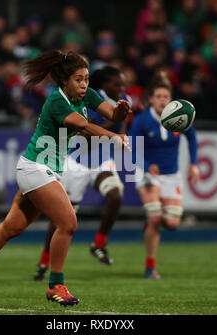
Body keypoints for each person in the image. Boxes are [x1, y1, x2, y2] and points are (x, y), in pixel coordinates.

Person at [0, 50, 131, 306]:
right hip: (35, 168)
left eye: (86, 79)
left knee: (11, 227)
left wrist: (121, 112)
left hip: (42, 169)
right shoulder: (56, 102)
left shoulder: (87, 95)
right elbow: (83, 127)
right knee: (68, 223)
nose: (84, 85)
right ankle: (55, 285)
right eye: (78, 79)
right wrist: (114, 137)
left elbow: (112, 115)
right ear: (64, 81)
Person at [34, 66, 131, 280]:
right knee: (63, 220)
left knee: (115, 195)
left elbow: (121, 126)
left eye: (123, 84)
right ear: (105, 86)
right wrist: (113, 126)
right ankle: (44, 262)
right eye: (117, 84)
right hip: (76, 163)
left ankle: (98, 244)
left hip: (102, 163)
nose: (122, 88)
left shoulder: (124, 99)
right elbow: (87, 134)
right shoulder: (90, 99)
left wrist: (120, 132)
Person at [130, 71, 200, 279]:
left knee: (172, 223)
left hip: (171, 175)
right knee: (154, 216)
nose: (162, 100)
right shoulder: (142, 121)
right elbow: (132, 150)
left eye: (166, 97)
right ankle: (150, 266)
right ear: (151, 99)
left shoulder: (179, 119)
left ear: (171, 100)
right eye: (158, 96)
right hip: (147, 175)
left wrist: (194, 164)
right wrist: (146, 164)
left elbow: (193, 138)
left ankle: (151, 223)